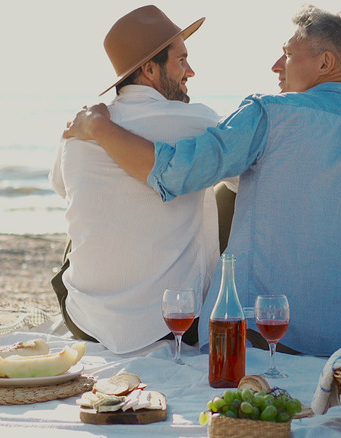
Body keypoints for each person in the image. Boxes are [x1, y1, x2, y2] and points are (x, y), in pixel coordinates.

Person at [64, 5, 341, 356]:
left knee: (226, 192)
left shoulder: (267, 113)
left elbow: (175, 172)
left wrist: (100, 126)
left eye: (287, 54)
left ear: (324, 63)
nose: (276, 65)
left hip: (262, 330)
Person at [49, 5, 226, 354]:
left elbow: (61, 187)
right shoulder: (198, 121)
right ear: (149, 69)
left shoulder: (77, 129)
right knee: (230, 190)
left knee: (87, 211)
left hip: (84, 320)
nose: (190, 70)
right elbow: (241, 177)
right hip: (174, 322)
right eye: (181, 61)